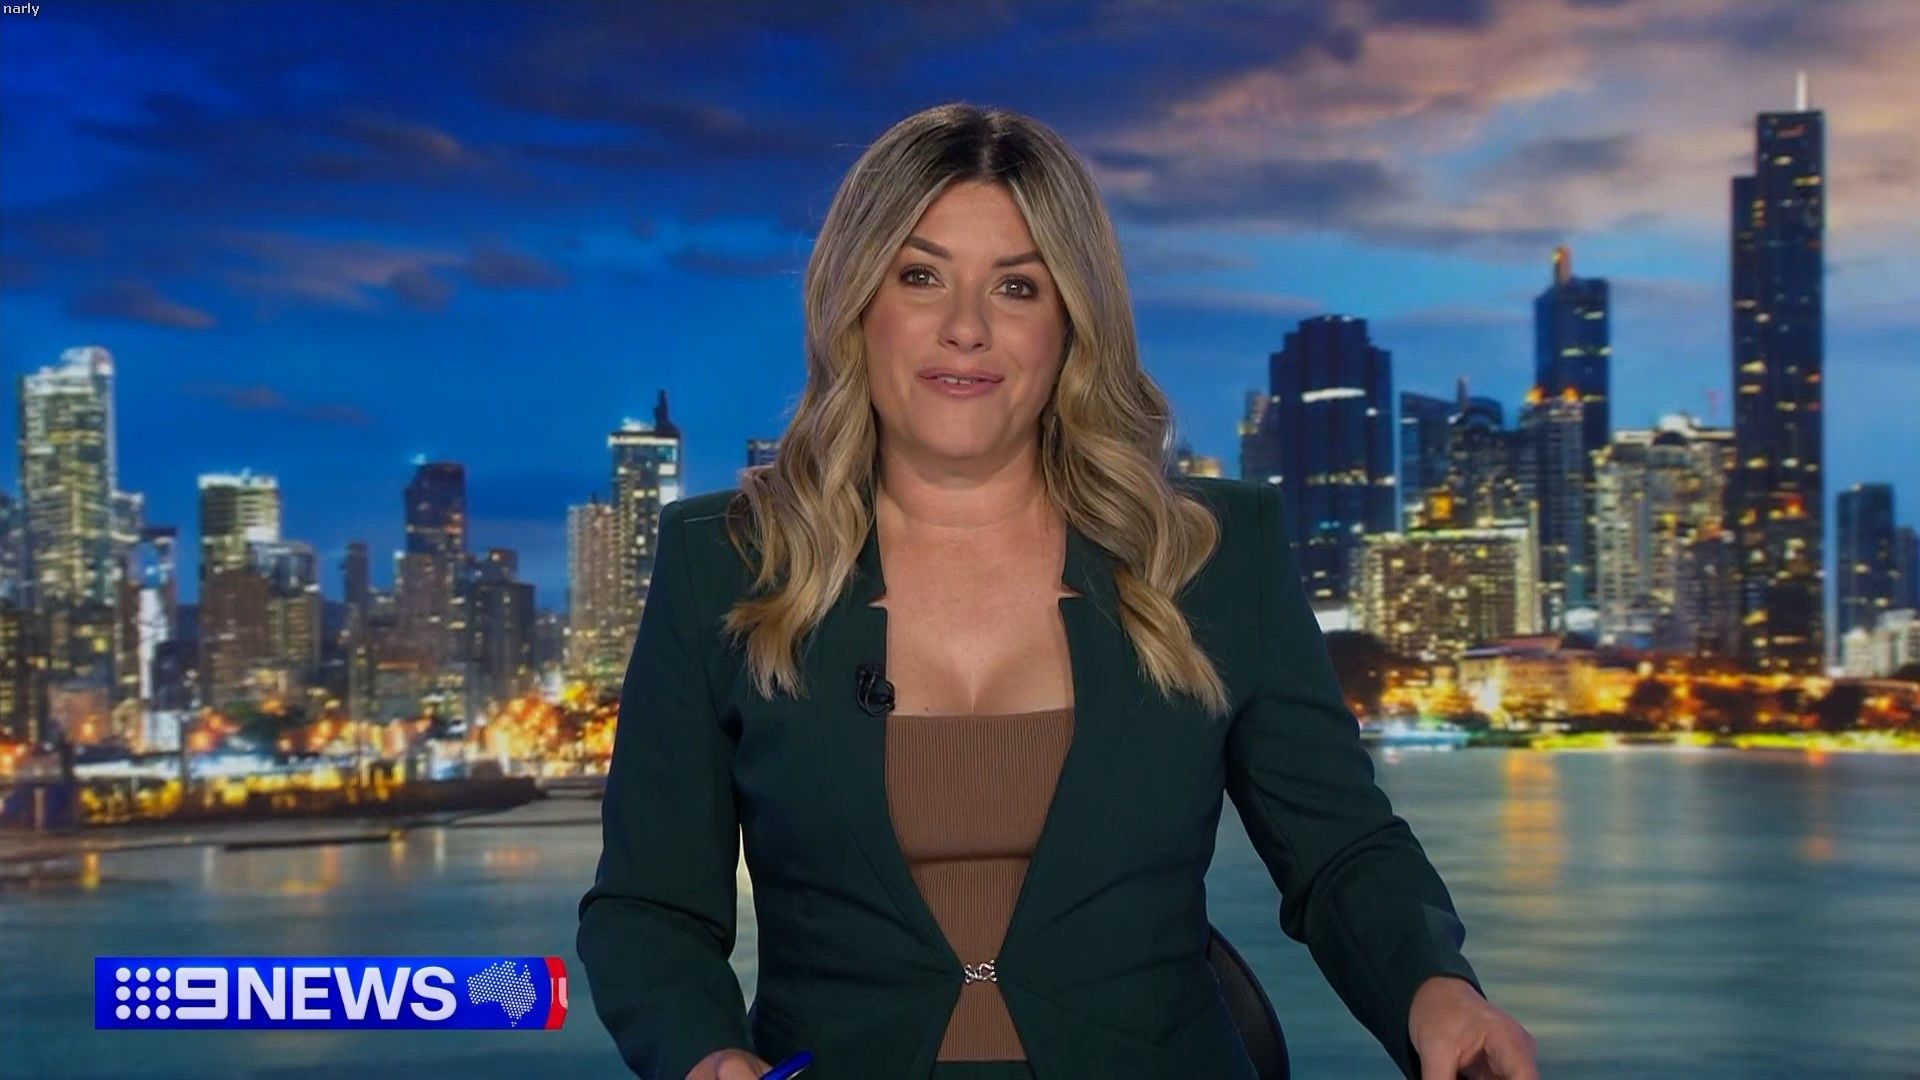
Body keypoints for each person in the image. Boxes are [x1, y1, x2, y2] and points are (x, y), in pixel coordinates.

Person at [577, 101, 1539, 1080]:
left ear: (1071, 323)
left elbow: (1341, 852)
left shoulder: (1213, 554)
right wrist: (705, 1056)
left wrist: (1435, 989)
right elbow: (649, 910)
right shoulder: (723, 562)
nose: (965, 329)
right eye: (921, 276)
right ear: (856, 303)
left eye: (1017, 287)